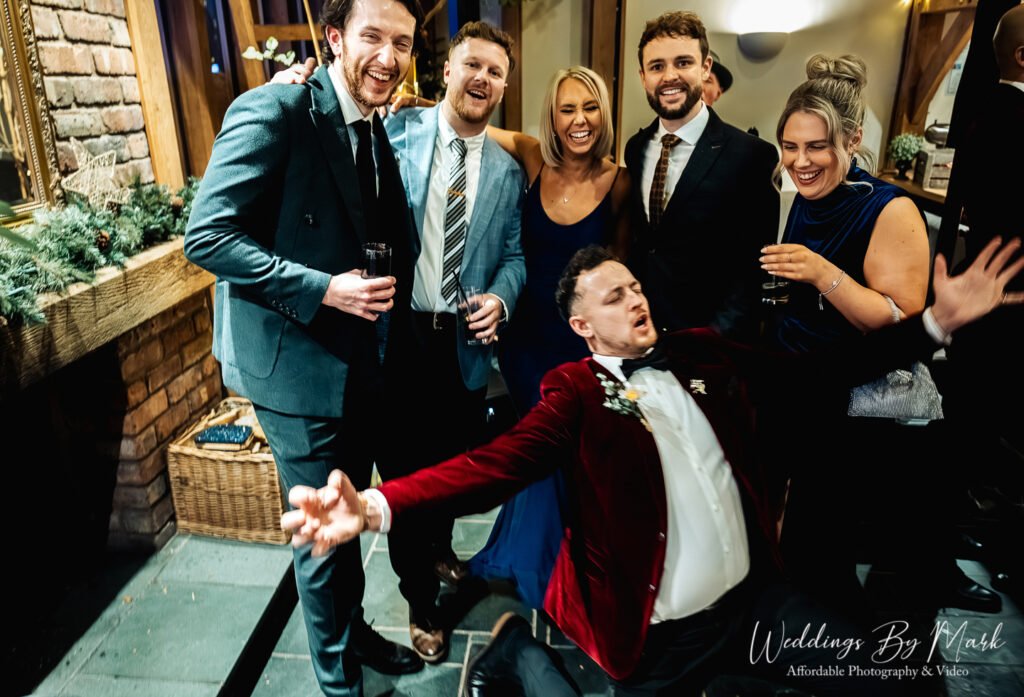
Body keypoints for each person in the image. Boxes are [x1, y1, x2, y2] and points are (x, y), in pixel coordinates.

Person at [281, 239, 1024, 697]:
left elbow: (818, 373)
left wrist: (932, 325)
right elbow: (492, 464)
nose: (634, 299)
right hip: (657, 638)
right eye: (614, 296)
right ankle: (520, 656)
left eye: (634, 286)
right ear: (582, 326)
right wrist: (376, 505)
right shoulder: (573, 392)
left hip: (755, 607)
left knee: (889, 678)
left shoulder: (701, 349)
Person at [184, 0, 426, 693]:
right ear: (332, 37)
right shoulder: (276, 110)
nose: (388, 56)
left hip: (358, 363)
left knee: (345, 513)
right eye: (372, 36)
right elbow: (207, 237)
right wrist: (322, 287)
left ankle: (354, 637)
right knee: (320, 538)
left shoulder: (371, 127)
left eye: (402, 43)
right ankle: (336, 682)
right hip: (297, 369)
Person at [759, 54, 1000, 613]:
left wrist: (823, 273)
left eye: (816, 146)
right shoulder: (812, 197)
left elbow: (899, 320)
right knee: (800, 552)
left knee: (832, 564)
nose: (800, 161)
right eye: (790, 147)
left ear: (853, 139)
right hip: (805, 394)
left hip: (858, 416)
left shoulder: (889, 211)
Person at [376, 20, 526, 663]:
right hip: (399, 336)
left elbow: (515, 256)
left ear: (504, 86)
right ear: (447, 70)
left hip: (462, 345)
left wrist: (501, 297)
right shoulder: (392, 134)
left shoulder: (508, 171)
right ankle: (419, 601)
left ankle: (439, 552)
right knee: (407, 474)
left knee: (452, 469)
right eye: (472, 65)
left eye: (495, 71)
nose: (482, 79)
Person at [467, 66, 630, 609]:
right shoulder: (536, 159)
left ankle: (533, 564)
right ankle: (544, 573)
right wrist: (420, 99)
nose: (579, 120)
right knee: (544, 445)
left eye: (589, 107)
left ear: (603, 114)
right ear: (553, 119)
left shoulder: (619, 181)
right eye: (567, 109)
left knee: (558, 450)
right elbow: (480, 124)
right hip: (525, 339)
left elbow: (621, 274)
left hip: (579, 342)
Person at [624, 11, 779, 341]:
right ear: (643, 77)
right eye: (657, 67)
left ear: (705, 68)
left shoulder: (752, 156)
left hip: (714, 346)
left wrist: (712, 340)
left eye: (683, 63)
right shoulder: (635, 148)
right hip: (644, 337)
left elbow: (753, 270)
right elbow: (646, 248)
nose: (670, 76)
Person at [947, 3, 1024, 596]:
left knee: (977, 418)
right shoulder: (1011, 118)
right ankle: (975, 537)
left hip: (986, 293)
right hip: (1005, 298)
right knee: (986, 423)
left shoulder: (985, 114)